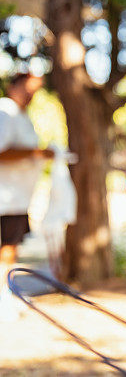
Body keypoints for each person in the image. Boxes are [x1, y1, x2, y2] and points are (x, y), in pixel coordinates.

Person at [0, 72, 54, 319]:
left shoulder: (22, 116)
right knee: (5, 249)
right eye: (27, 89)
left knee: (10, 248)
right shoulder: (5, 111)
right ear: (14, 86)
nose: (31, 95)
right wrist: (37, 154)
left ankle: (5, 293)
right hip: (4, 198)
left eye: (35, 90)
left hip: (17, 199)